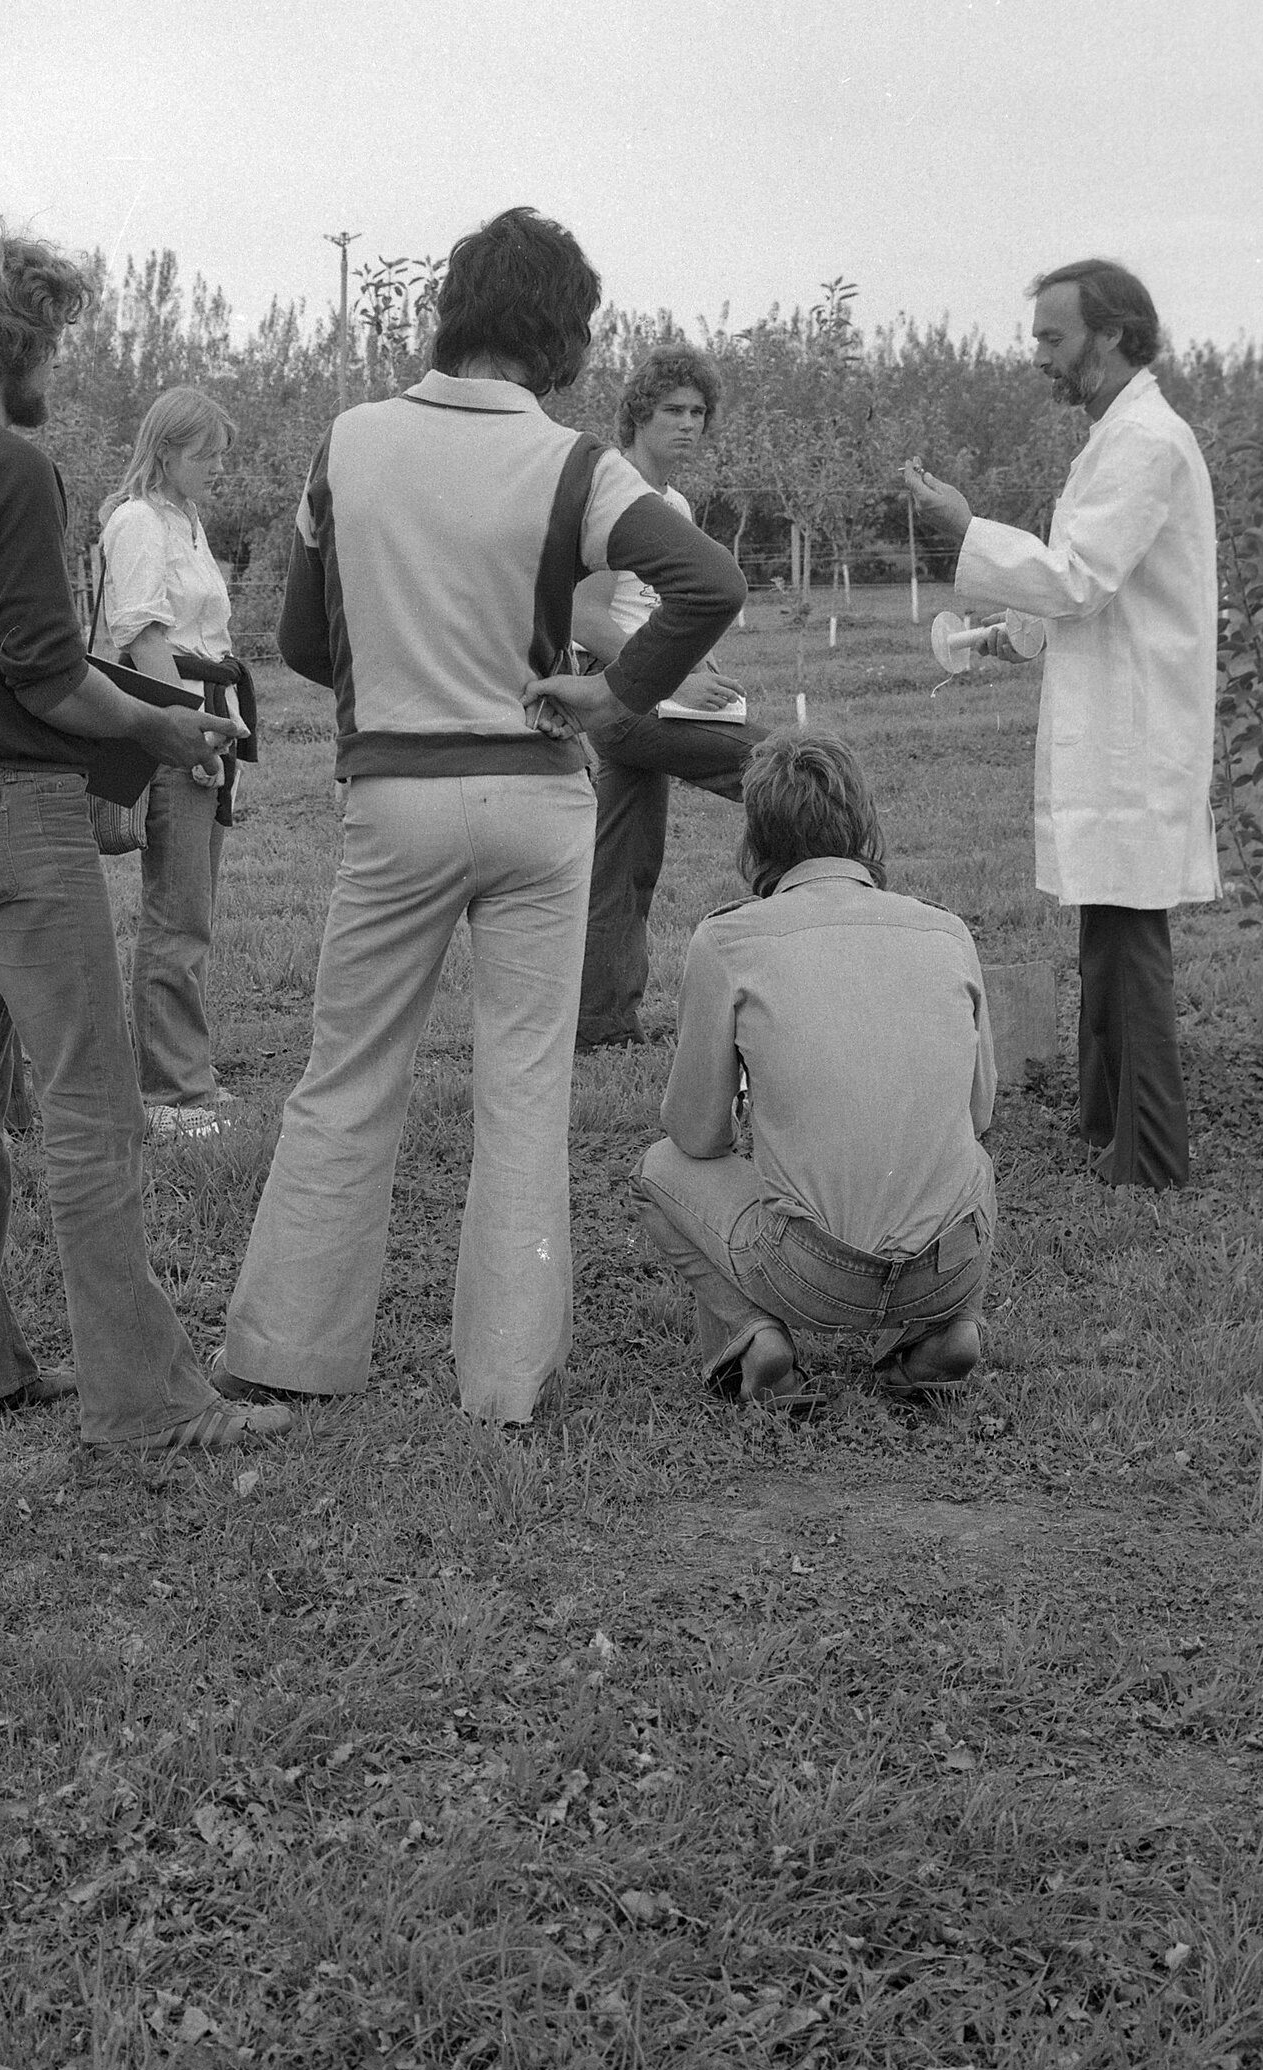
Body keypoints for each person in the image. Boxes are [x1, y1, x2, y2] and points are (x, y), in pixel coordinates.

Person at [216, 206, 745, 1429]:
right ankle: (505, 1382)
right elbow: (704, 584)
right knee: (521, 1088)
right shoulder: (576, 464)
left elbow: (301, 637)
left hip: (394, 797)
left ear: (450, 309)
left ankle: (289, 1350)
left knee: (345, 1074)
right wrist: (613, 694)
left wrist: (388, 674)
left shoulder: (347, 443)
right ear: (562, 334)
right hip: (539, 795)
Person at [0, 223, 265, 1454]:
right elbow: (42, 677)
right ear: (11, 338)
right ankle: (146, 1401)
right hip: (13, 820)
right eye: (52, 339)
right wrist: (169, 726)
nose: (56, 367)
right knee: (90, 1111)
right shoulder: (9, 468)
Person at [902, 258, 1218, 1188]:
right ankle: (1107, 1125)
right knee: (1107, 928)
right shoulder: (1114, 437)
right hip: (1119, 716)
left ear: (1112, 335)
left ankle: (1150, 1158)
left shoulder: (1147, 441)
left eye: (1053, 337)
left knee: (1129, 937)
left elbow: (1080, 575)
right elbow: (1087, 586)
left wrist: (967, 527)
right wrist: (1008, 636)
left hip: (1137, 726)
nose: (1038, 355)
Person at [636, 730, 998, 1407]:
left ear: (757, 840)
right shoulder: (949, 931)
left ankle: (754, 1338)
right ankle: (946, 1331)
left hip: (807, 1272)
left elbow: (695, 1137)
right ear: (864, 826)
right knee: (974, 1161)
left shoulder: (728, 939)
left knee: (659, 1169)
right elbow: (979, 1116)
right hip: (951, 1264)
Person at [572, 344, 763, 1049]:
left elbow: (670, 609)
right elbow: (586, 620)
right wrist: (674, 677)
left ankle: (598, 1023)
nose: (689, 424)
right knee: (787, 769)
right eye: (673, 411)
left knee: (624, 863)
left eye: (699, 413)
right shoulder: (608, 493)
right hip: (621, 698)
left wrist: (704, 667)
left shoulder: (673, 503)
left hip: (655, 698)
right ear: (637, 415)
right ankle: (814, 943)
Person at [96, 386, 257, 1141]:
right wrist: (183, 734)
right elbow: (141, 633)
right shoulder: (136, 523)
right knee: (175, 911)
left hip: (207, 713)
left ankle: (190, 1075)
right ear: (165, 451)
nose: (218, 467)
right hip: (171, 721)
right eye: (206, 454)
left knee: (194, 907)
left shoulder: (185, 521)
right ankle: (167, 1092)